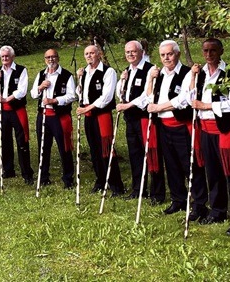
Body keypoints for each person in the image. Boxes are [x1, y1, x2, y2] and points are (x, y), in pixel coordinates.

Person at [147, 40, 209, 220]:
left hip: (182, 126)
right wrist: (151, 79)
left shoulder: (187, 73)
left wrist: (159, 108)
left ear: (178, 54)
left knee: (190, 165)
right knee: (171, 165)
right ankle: (178, 199)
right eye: (163, 55)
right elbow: (150, 97)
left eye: (170, 54)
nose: (166, 58)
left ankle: (199, 204)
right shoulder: (159, 75)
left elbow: (184, 99)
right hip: (163, 127)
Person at [192, 38, 230, 235]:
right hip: (206, 130)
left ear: (221, 51)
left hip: (225, 130)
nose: (208, 54)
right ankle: (217, 211)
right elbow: (192, 98)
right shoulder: (201, 74)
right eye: (205, 51)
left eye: (213, 50)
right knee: (212, 173)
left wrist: (206, 106)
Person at [116, 41, 165, 204]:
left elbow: (147, 95)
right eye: (127, 52)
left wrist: (128, 105)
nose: (130, 54)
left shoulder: (150, 69)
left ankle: (157, 193)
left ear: (141, 52)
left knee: (151, 154)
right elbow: (121, 93)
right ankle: (138, 189)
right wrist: (121, 82)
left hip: (144, 118)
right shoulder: (127, 71)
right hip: (130, 119)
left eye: (133, 51)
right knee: (135, 155)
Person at [76, 44, 126, 195]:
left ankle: (116, 185)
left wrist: (88, 108)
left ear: (99, 54)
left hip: (101, 115)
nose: (89, 56)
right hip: (88, 116)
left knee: (106, 149)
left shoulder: (108, 71)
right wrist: (79, 79)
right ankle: (101, 180)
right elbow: (81, 93)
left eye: (92, 53)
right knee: (94, 149)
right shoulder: (84, 72)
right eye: (86, 54)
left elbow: (106, 97)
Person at [30, 48, 77, 188]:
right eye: (48, 57)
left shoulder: (66, 75)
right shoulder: (41, 75)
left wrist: (55, 100)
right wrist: (40, 87)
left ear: (58, 58)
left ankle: (68, 179)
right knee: (43, 147)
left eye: (53, 57)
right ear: (45, 59)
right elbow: (33, 94)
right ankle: (43, 177)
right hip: (43, 116)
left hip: (59, 116)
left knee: (65, 148)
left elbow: (72, 96)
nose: (51, 60)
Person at [0, 45, 34, 184]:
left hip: (16, 109)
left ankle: (27, 172)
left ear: (12, 57)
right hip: (3, 111)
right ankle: (8, 170)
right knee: (5, 140)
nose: (4, 59)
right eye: (2, 57)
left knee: (22, 141)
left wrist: (6, 99)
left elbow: (22, 91)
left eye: (7, 56)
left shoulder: (21, 70)